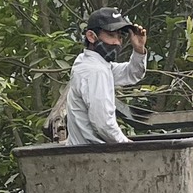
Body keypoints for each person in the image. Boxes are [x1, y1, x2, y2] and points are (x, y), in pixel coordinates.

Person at [60, 9, 148, 146]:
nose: (117, 42)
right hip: (93, 154)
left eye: (120, 36)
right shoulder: (95, 70)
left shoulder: (92, 63)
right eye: (111, 35)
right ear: (91, 36)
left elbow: (132, 73)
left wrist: (139, 50)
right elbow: (103, 123)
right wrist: (129, 146)